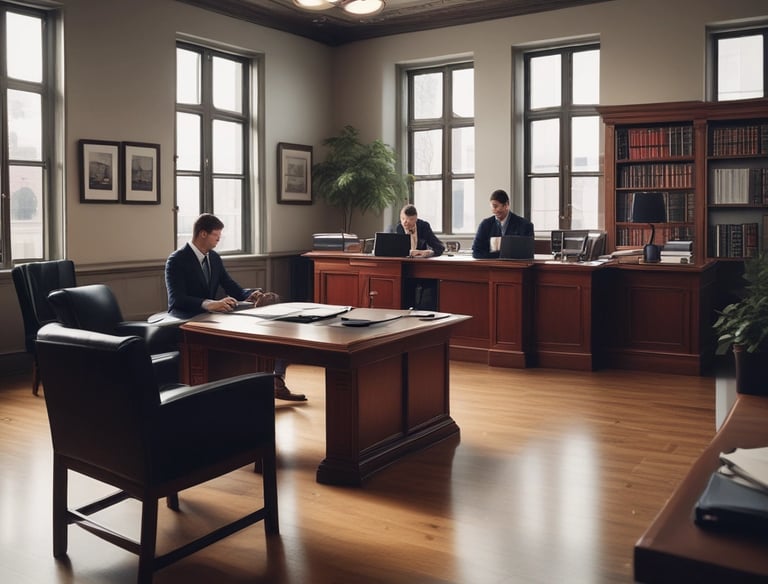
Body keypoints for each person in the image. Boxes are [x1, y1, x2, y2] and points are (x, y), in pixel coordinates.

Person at [165, 213, 306, 401]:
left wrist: (249, 294)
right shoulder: (176, 260)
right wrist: (209, 304)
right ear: (203, 234)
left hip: (212, 315)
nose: (219, 239)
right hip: (187, 316)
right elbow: (177, 299)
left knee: (276, 323)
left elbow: (230, 285)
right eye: (216, 235)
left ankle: (276, 379)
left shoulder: (213, 258)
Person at [471, 189, 534, 259]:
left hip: (515, 268)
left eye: (495, 206)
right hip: (490, 267)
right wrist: (500, 256)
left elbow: (527, 254)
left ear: (506, 205)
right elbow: (476, 252)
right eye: (492, 207)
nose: (493, 210)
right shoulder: (485, 225)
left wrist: (494, 254)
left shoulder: (525, 225)